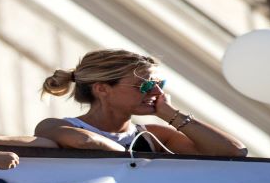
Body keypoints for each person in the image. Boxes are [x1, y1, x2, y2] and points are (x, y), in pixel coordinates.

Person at [35, 49, 248, 156]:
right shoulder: (55, 126)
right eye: (144, 86)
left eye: (159, 84)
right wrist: (134, 162)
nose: (156, 91)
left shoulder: (153, 135)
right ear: (102, 89)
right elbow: (85, 142)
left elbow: (235, 152)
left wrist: (171, 115)